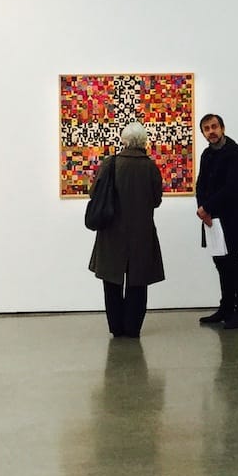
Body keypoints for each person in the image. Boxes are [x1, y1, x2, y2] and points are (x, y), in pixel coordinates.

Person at [88, 121, 165, 339]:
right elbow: (156, 200)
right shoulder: (150, 167)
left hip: (111, 231)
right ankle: (133, 328)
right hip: (142, 232)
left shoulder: (110, 163)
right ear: (143, 141)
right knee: (138, 282)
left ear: (124, 140)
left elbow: (95, 193)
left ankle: (116, 327)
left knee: (112, 281)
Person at [195, 112, 238, 329]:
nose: (211, 132)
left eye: (214, 127)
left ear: (222, 128)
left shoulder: (236, 153)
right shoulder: (206, 155)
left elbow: (233, 187)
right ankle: (226, 307)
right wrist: (202, 209)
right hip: (212, 219)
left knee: (235, 263)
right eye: (206, 129)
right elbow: (200, 184)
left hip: (233, 217)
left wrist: (207, 207)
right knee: (220, 262)